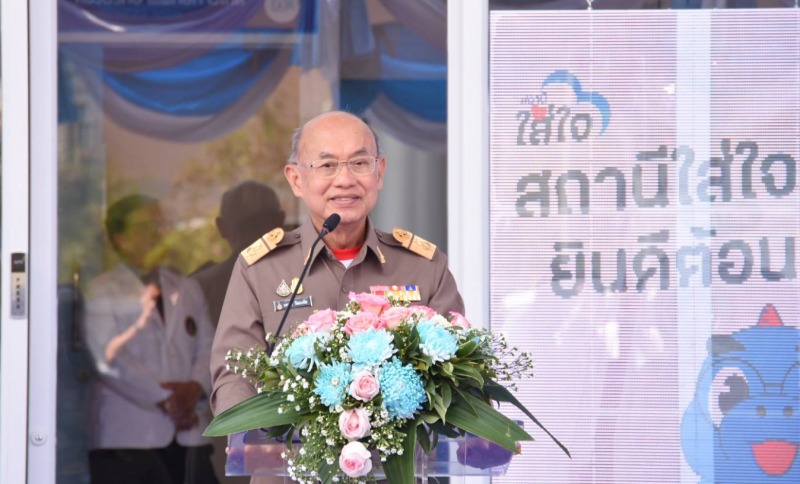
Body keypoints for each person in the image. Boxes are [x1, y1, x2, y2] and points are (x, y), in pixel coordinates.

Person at [210, 110, 464, 414]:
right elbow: (236, 372)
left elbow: (460, 373)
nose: (344, 180)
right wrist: (249, 439)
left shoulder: (424, 267)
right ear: (296, 179)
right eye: (327, 165)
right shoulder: (261, 270)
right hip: (289, 456)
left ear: (379, 172)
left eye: (359, 163)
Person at [83, 194, 217, 484]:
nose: (160, 233)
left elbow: (209, 346)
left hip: (188, 436)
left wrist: (194, 388)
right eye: (148, 226)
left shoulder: (186, 287)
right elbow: (108, 358)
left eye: (162, 225)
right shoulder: (101, 291)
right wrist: (168, 400)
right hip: (127, 439)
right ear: (121, 239)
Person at [193, 181, 286, 327]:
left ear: (221, 226)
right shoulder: (308, 275)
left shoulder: (199, 289)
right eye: (250, 226)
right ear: (280, 221)